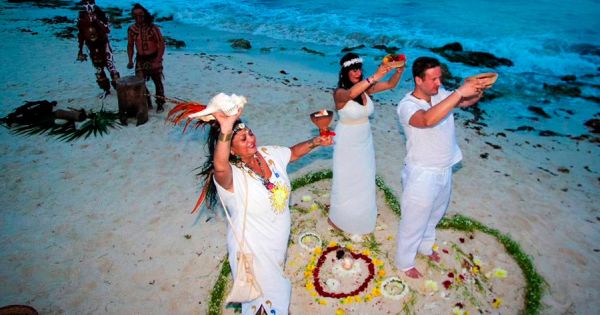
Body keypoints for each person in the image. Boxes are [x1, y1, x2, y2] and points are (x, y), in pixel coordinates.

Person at [200, 107, 333, 314]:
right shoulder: (231, 178)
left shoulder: (268, 154)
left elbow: (293, 153)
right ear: (231, 150)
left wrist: (315, 142)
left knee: (271, 296)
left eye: (250, 133)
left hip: (276, 245)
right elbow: (219, 166)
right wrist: (226, 128)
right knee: (268, 297)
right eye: (242, 139)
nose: (251, 139)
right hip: (253, 250)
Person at [395, 56, 486, 278]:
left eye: (440, 78)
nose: (439, 83)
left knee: (434, 215)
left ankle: (425, 247)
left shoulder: (442, 94)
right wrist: (458, 93)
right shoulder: (407, 106)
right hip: (422, 173)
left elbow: (463, 102)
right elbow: (427, 120)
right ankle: (404, 262)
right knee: (413, 221)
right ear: (418, 80)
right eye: (434, 79)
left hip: (445, 169)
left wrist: (476, 90)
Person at [328, 52, 405, 236]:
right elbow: (351, 93)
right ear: (345, 72)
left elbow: (391, 84)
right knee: (345, 178)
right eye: (353, 69)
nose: (357, 72)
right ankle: (338, 218)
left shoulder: (366, 89)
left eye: (359, 69)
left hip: (364, 139)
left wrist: (399, 69)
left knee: (364, 176)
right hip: (346, 140)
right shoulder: (339, 93)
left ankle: (360, 216)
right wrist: (376, 75)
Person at [127, 3, 166, 112]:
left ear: (144, 14)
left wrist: (158, 59)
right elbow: (130, 45)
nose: (138, 17)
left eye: (140, 14)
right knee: (140, 82)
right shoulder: (132, 29)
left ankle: (160, 103)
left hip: (153, 57)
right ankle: (147, 101)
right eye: (135, 15)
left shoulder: (153, 28)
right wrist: (130, 60)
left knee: (157, 82)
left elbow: (161, 44)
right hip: (140, 59)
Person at [76, 0, 120, 95]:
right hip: (91, 46)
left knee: (111, 66)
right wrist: (80, 50)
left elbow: (107, 30)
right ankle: (106, 90)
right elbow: (81, 35)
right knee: (98, 69)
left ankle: (119, 88)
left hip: (103, 44)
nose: (88, 6)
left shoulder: (101, 14)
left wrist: (96, 20)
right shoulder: (81, 18)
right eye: (85, 3)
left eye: (90, 3)